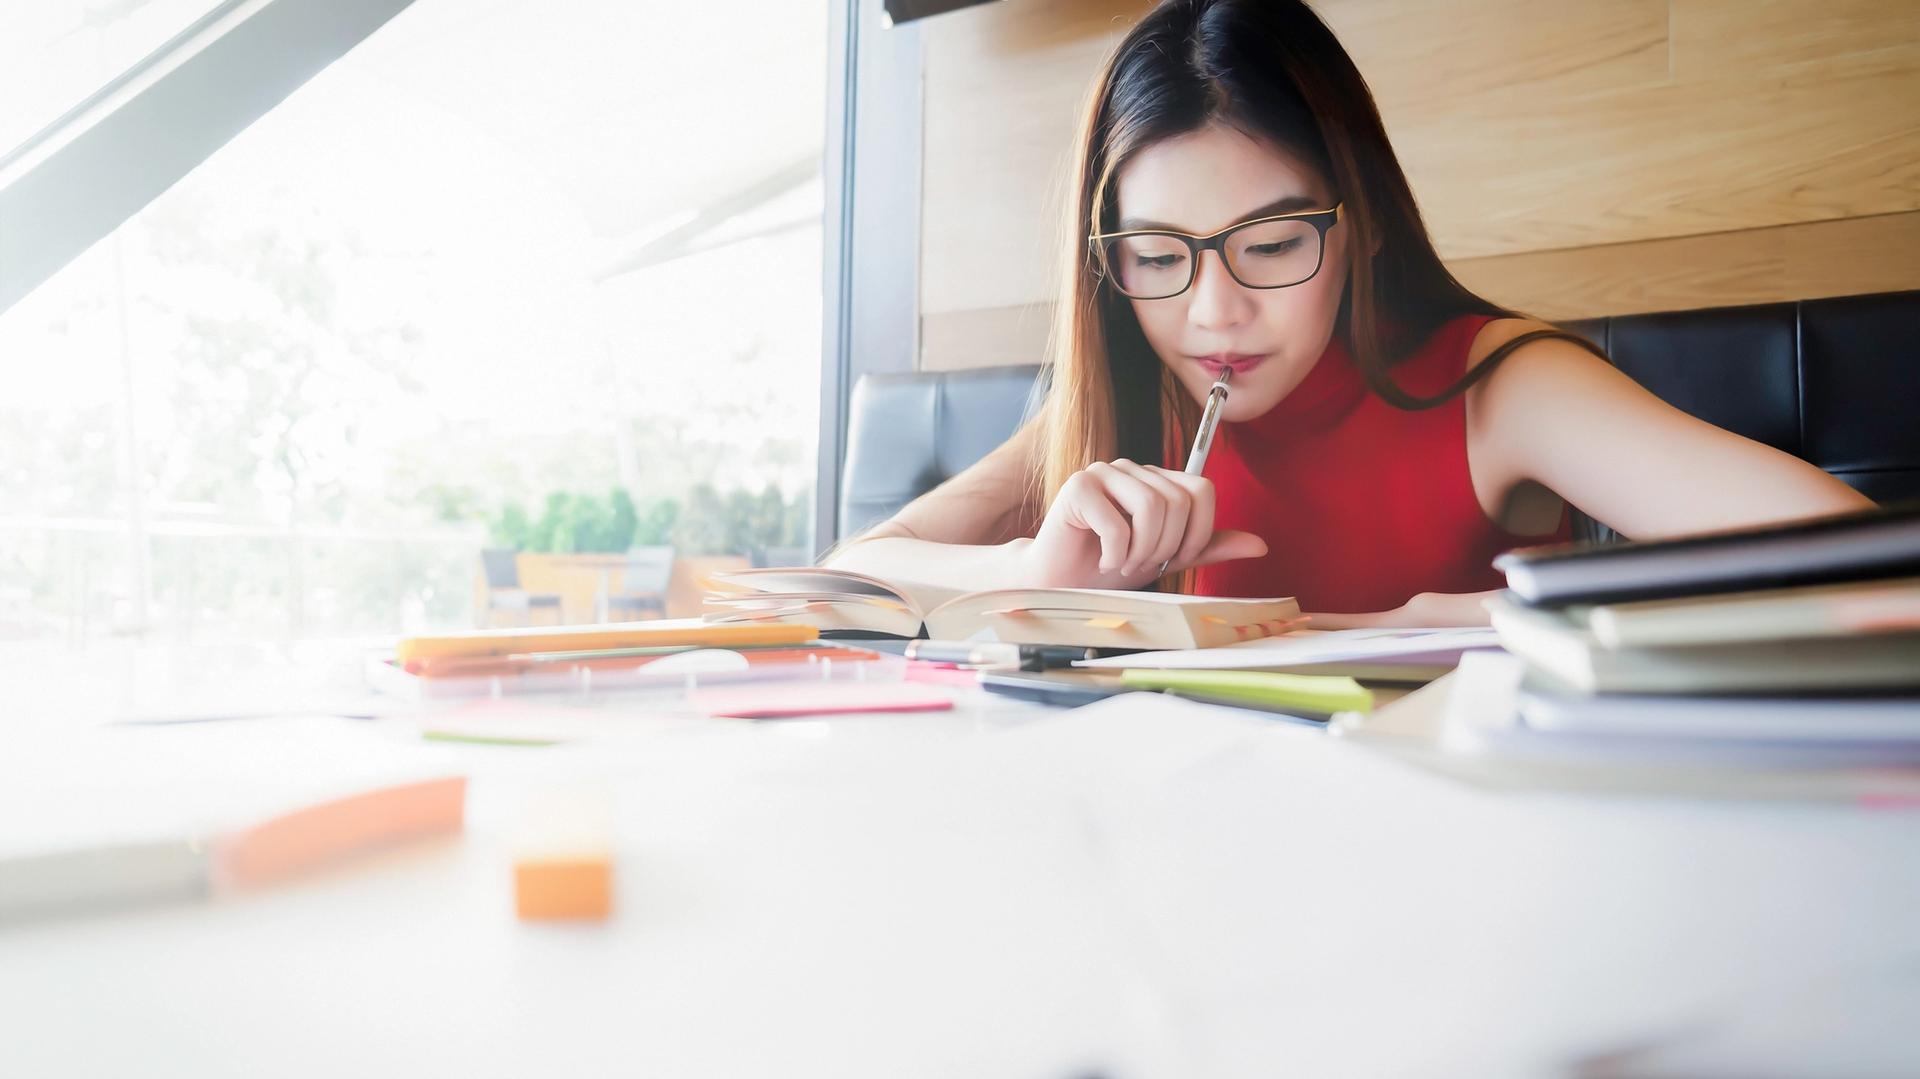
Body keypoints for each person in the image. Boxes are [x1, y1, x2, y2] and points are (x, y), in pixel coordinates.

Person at [824, 0, 1870, 627]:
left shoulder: (1493, 385)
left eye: (1274, 245)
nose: (1214, 313)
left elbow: (1862, 567)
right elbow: (841, 577)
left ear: (1362, 225)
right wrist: (1029, 570)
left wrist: (1495, 615)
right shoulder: (1122, 406)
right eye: (1156, 258)